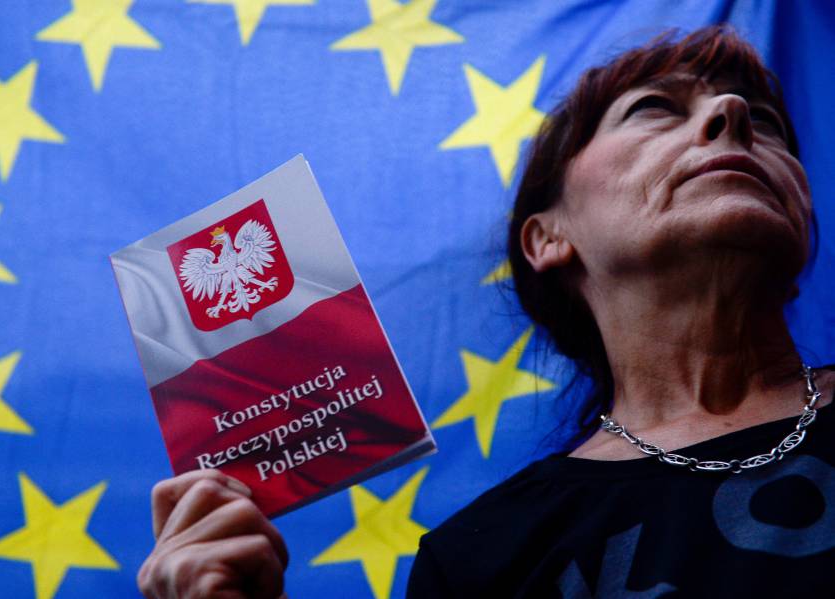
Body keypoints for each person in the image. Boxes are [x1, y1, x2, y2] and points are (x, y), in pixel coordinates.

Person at [136, 26, 835, 598]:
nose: (733, 116)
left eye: (769, 123)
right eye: (653, 108)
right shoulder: (480, 561)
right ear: (547, 237)